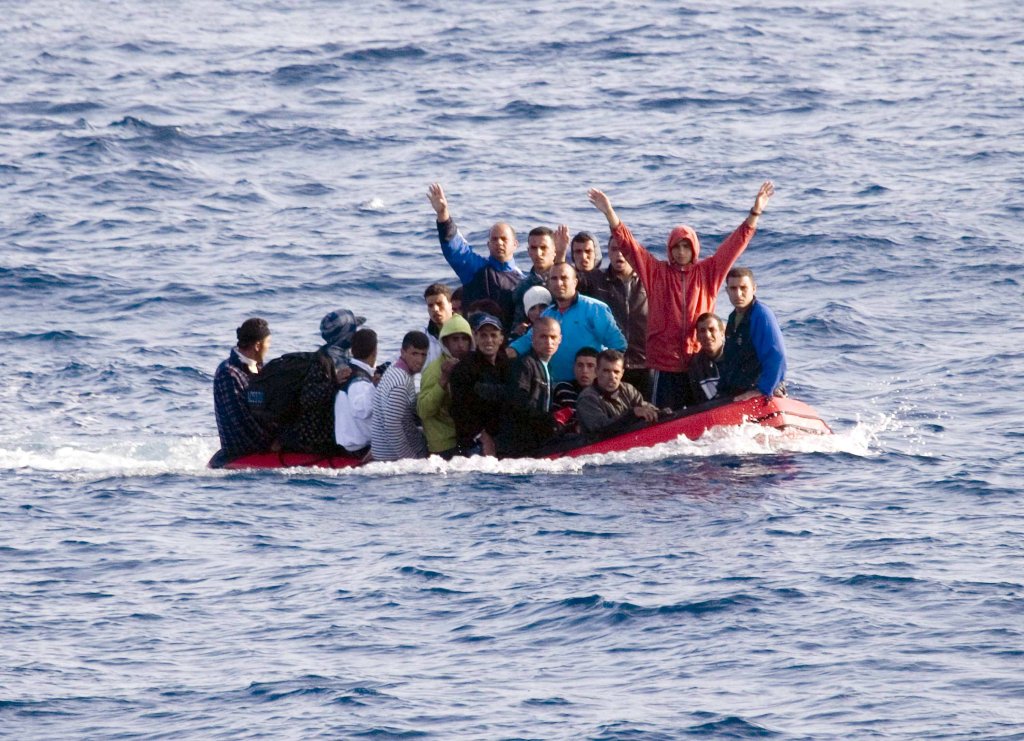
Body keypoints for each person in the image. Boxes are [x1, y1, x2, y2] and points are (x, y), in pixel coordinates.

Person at [588, 180, 775, 410]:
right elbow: (630, 246)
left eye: (686, 246)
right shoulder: (656, 272)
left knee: (706, 417)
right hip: (664, 366)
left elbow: (735, 245)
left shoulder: (709, 272)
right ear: (670, 249)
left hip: (700, 362)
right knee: (665, 418)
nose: (681, 251)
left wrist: (755, 212)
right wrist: (609, 212)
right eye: (677, 246)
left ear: (694, 249)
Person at [508, 262, 626, 384]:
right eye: (554, 278)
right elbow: (529, 339)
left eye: (564, 278)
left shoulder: (594, 309)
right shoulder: (547, 314)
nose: (559, 283)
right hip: (557, 387)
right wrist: (508, 352)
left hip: (589, 388)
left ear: (575, 282)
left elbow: (618, 346)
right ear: (549, 283)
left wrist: (604, 380)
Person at [427, 182, 523, 330]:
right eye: (494, 239)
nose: (499, 243)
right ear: (488, 244)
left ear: (515, 244)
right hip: (475, 342)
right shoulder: (476, 269)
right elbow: (455, 248)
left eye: (504, 239)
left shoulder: (522, 280)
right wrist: (443, 215)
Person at [278, 308, 363, 454]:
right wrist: (334, 383)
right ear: (346, 335)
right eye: (353, 331)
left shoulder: (345, 357)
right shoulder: (321, 361)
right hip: (320, 437)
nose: (356, 335)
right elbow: (308, 398)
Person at [716, 268, 787, 401]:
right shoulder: (733, 318)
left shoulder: (761, 315)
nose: (738, 294)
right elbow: (730, 359)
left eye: (743, 288)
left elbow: (776, 355)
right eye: (733, 288)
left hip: (761, 389)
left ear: (754, 289)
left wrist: (762, 390)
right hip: (737, 388)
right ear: (727, 291)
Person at [211, 317, 274, 467]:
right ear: (258, 346)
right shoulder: (228, 373)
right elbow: (239, 420)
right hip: (241, 447)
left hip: (262, 439)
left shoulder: (258, 367)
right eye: (268, 343)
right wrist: (273, 443)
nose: (269, 347)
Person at [594, 233, 651, 399]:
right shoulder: (597, 279)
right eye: (614, 249)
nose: (619, 254)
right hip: (610, 366)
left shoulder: (648, 281)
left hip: (644, 364)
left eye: (624, 250)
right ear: (608, 253)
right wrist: (561, 254)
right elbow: (566, 283)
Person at [496, 317, 562, 457]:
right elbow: (519, 404)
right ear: (532, 338)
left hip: (537, 442)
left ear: (559, 340)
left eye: (553, 337)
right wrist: (550, 420)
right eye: (543, 336)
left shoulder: (548, 366)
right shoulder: (524, 365)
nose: (549, 342)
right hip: (518, 446)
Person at [449, 312, 510, 456]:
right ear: (475, 338)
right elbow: (459, 411)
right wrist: (481, 436)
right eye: (483, 335)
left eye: (493, 335)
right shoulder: (464, 368)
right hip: (474, 442)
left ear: (501, 338)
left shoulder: (506, 364)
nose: (489, 340)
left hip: (502, 436)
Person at [417, 315, 474, 458]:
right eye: (455, 339)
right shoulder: (435, 370)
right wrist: (443, 380)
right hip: (444, 446)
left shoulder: (468, 365)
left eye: (464, 338)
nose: (460, 344)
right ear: (445, 342)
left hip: (465, 440)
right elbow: (423, 410)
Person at [371, 331, 430, 461]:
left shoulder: (393, 368)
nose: (420, 360)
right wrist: (411, 462)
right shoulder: (400, 383)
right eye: (414, 353)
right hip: (394, 458)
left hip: (384, 452)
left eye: (423, 355)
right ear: (402, 352)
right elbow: (393, 428)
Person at [576, 349, 659, 438]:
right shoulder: (588, 398)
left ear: (622, 373)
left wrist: (659, 413)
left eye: (616, 372)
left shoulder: (628, 389)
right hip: (596, 448)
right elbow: (601, 429)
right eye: (606, 371)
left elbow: (646, 408)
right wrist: (632, 414)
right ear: (597, 371)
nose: (612, 377)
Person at [333, 328, 379, 460]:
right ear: (375, 351)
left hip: (352, 445)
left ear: (352, 351)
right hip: (359, 449)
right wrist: (374, 387)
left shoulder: (347, 371)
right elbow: (361, 410)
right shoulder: (359, 381)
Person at [510, 227, 557, 334]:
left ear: (554, 250)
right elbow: (517, 323)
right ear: (529, 251)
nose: (538, 253)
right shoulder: (523, 288)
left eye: (543, 247)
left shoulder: (567, 280)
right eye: (534, 248)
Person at [687, 313, 726, 403]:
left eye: (712, 330)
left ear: (722, 333)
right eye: (702, 331)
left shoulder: (737, 357)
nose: (707, 335)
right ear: (697, 337)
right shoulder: (695, 365)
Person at [553, 346, 598, 411]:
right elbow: (556, 418)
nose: (584, 370)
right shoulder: (564, 389)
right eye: (580, 365)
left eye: (590, 366)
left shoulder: (604, 393)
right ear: (574, 368)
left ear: (598, 369)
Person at [423, 283, 454, 367]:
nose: (435, 309)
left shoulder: (464, 332)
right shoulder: (423, 336)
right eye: (430, 305)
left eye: (440, 304)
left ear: (451, 305)